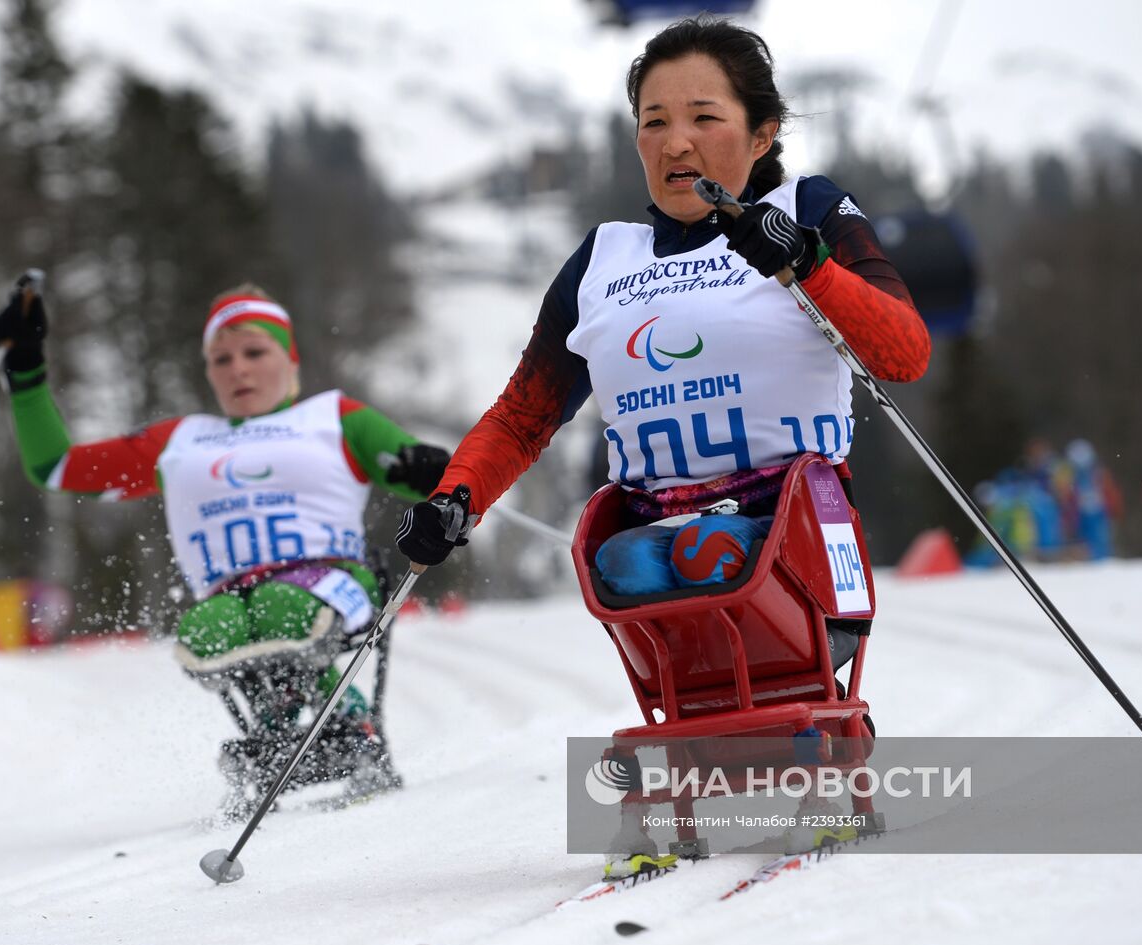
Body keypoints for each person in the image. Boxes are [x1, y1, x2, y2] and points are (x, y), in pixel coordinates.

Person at [395, 17, 929, 871]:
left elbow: (904, 351)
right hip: (657, 538)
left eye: (704, 117)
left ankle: (810, 755)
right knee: (633, 560)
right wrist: (455, 498)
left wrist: (807, 263)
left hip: (796, 536)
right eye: (654, 121)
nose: (676, 142)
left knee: (716, 555)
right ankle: (683, 767)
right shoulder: (606, 258)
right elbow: (524, 416)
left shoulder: (808, 209)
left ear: (762, 133)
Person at [0, 279, 449, 811]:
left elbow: (433, 479)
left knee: (284, 608)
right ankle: (272, 732)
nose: (238, 370)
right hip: (233, 595)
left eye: (255, 352)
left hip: (335, 580)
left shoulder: (334, 418)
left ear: (290, 359)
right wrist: (25, 370)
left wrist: (429, 469)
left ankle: (349, 720)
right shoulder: (183, 440)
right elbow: (57, 467)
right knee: (207, 629)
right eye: (221, 359)